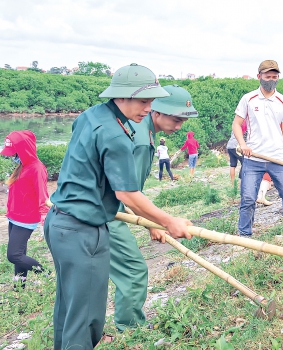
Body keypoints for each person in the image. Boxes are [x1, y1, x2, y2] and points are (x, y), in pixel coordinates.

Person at [44, 63, 193, 349]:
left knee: (69, 311)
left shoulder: (90, 116)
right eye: (144, 101)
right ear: (121, 96)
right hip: (83, 230)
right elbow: (127, 193)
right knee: (87, 318)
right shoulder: (117, 136)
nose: (149, 108)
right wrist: (168, 221)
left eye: (151, 101)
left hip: (60, 223)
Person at [106, 84, 197, 334]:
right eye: (176, 119)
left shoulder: (145, 131)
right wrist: (164, 221)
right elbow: (126, 192)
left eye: (183, 120)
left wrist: (149, 223)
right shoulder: (138, 137)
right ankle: (131, 330)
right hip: (102, 212)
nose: (179, 126)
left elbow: (131, 188)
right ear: (156, 111)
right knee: (133, 270)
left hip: (110, 208)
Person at [232, 59, 283, 237]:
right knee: (248, 199)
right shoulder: (248, 99)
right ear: (259, 77)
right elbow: (236, 124)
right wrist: (243, 144)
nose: (271, 80)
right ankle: (245, 235)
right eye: (267, 76)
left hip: (277, 158)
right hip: (253, 158)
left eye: (274, 77)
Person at [2, 131, 49, 288]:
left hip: (25, 219)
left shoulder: (37, 168)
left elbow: (43, 195)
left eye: (15, 152)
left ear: (24, 149)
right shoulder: (23, 165)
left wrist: (44, 219)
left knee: (14, 255)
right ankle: (19, 289)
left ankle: (46, 274)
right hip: (14, 217)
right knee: (20, 255)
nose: (13, 156)